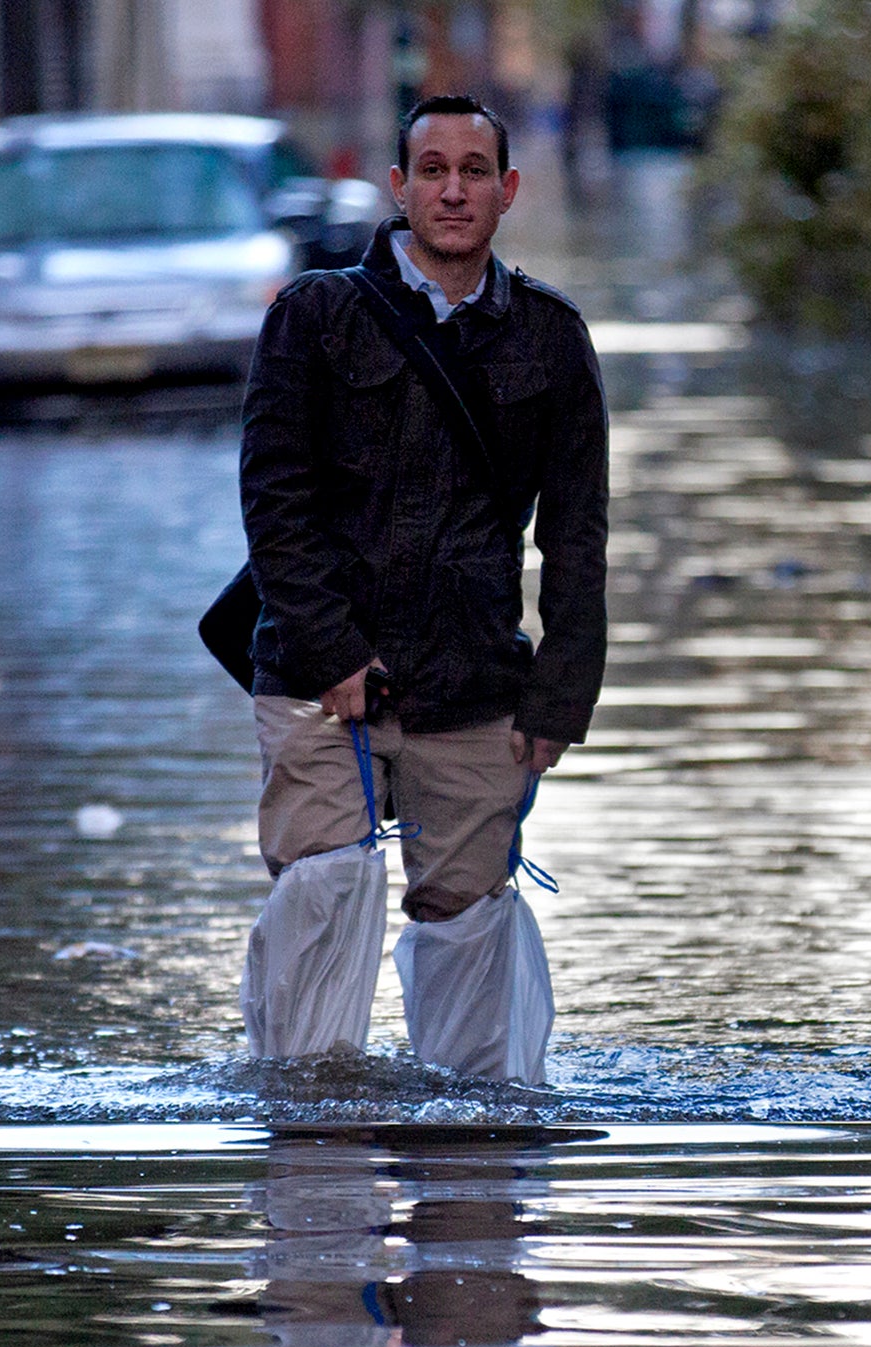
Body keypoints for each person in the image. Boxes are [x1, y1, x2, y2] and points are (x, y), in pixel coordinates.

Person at [235, 94, 608, 1072]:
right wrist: (333, 652)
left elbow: (578, 537)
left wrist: (560, 699)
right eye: (431, 170)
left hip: (477, 682)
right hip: (317, 685)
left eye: (473, 171)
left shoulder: (552, 338)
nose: (453, 189)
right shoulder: (314, 318)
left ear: (507, 190)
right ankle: (310, 1169)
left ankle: (478, 1190)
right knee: (320, 888)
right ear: (399, 189)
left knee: (470, 927)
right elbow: (275, 501)